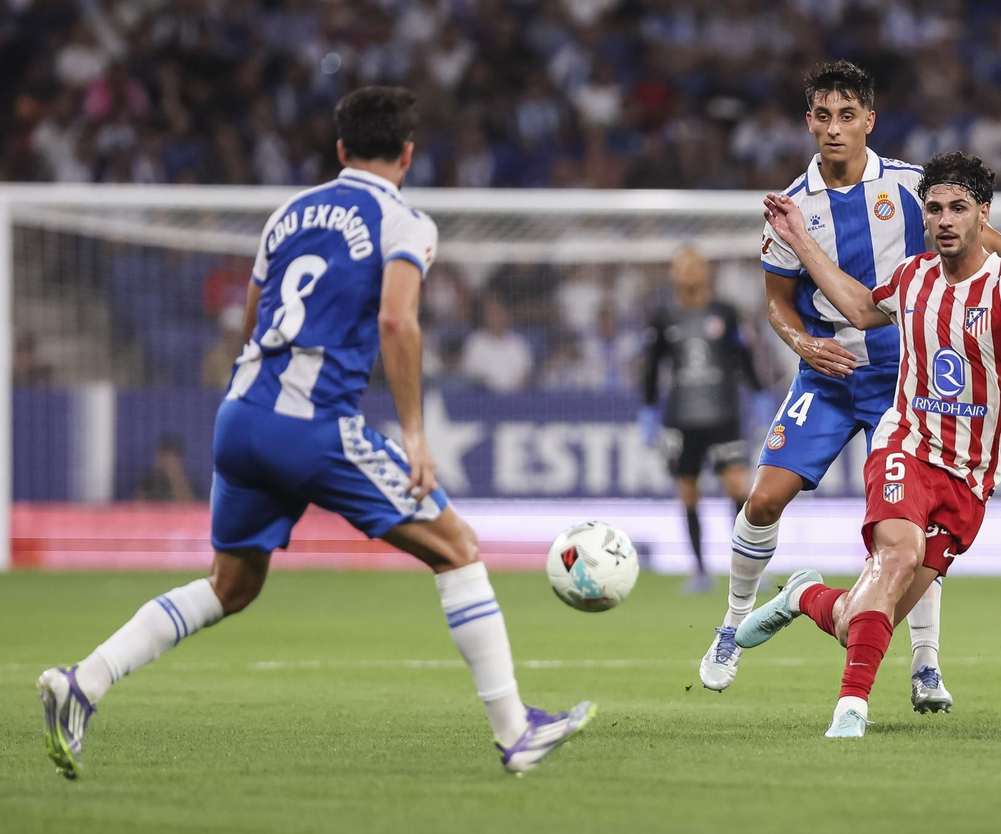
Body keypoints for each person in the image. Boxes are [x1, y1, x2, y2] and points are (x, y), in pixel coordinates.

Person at [37, 87, 592, 781]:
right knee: (457, 548)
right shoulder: (404, 221)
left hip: (240, 415)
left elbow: (250, 319)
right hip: (311, 424)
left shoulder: (287, 215)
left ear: (339, 150)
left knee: (230, 584)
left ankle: (81, 681)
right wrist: (416, 435)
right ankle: (516, 731)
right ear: (408, 154)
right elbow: (397, 320)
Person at [698, 61, 1001, 705]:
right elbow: (777, 303)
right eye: (822, 115)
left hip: (905, 372)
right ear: (808, 122)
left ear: (869, 120)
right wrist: (801, 343)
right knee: (763, 499)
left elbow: (993, 244)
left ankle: (925, 663)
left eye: (847, 115)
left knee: (913, 520)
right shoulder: (790, 209)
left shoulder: (911, 188)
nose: (834, 129)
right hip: (827, 372)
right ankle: (732, 627)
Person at [640, 247, 761, 594]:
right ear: (674, 274)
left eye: (695, 265)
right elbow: (652, 367)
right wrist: (648, 410)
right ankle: (700, 571)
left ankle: (748, 570)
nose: (689, 272)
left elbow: (743, 357)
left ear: (705, 271)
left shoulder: (725, 312)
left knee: (738, 488)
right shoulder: (664, 316)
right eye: (682, 266)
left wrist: (759, 394)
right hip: (682, 419)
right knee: (688, 493)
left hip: (723, 414)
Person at [135, 434, 196, 502]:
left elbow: (190, 506)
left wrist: (175, 476)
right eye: (164, 456)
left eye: (172, 457)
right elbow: (137, 505)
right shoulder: (150, 480)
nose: (168, 461)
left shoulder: (190, 481)